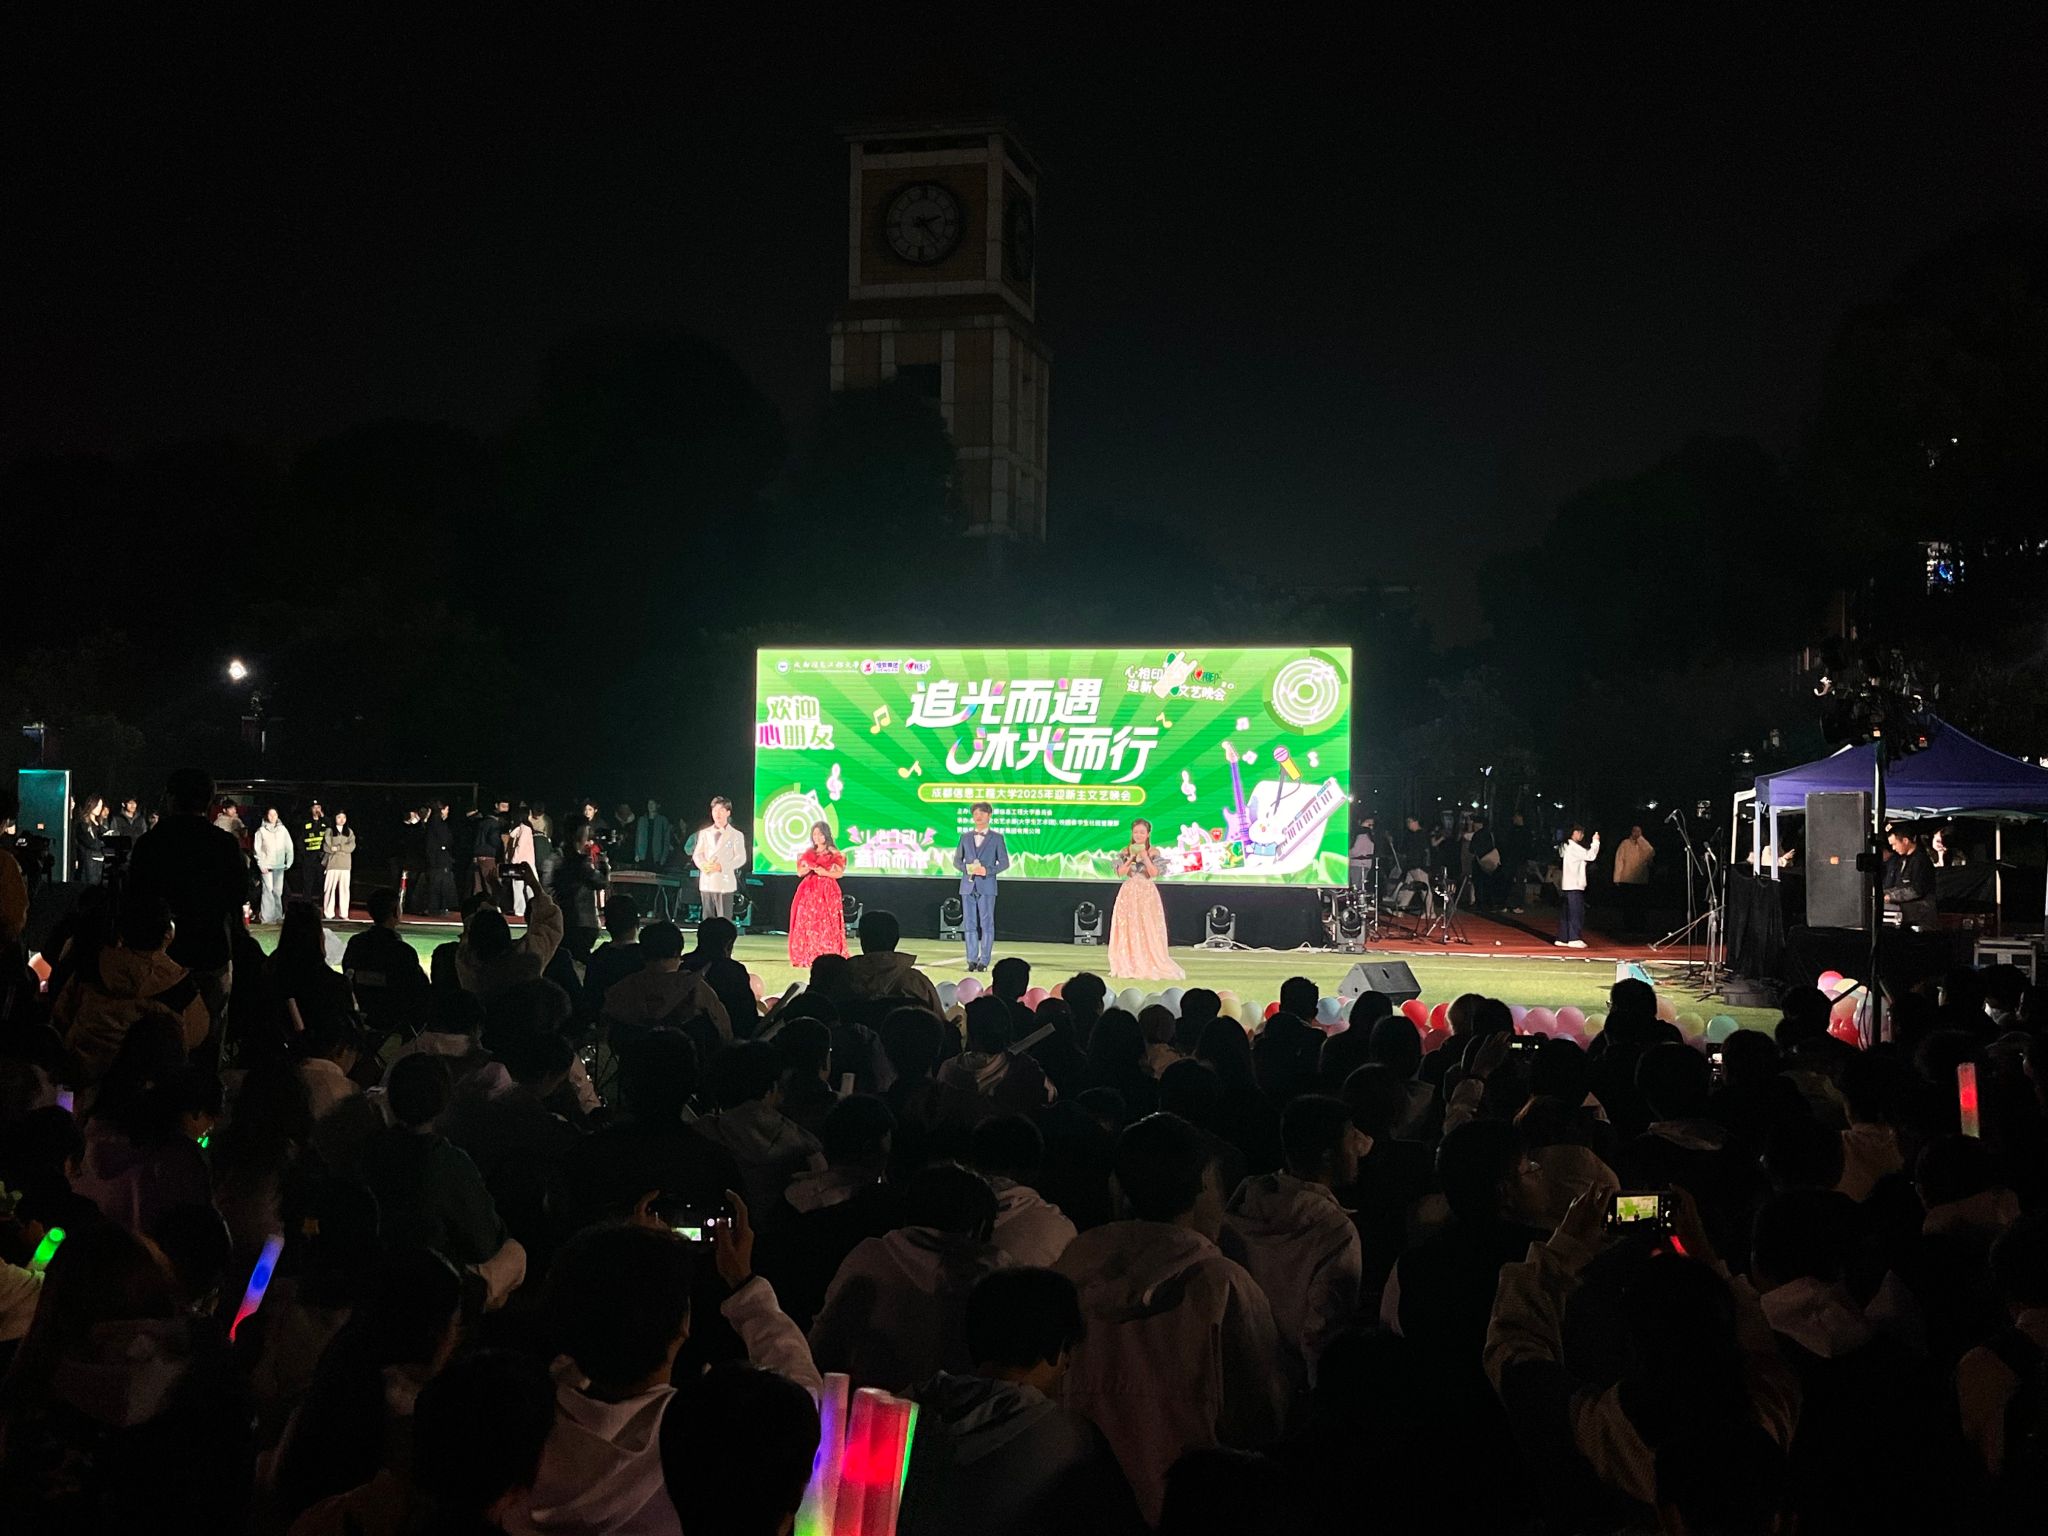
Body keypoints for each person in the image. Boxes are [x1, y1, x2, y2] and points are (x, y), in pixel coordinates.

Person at [1055, 1112, 1285, 1523]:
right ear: (1202, 1185)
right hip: (1192, 1505)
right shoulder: (1222, 1284)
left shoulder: (1070, 1271)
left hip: (1086, 1500)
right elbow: (1259, 1412)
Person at [901, 1267, 1144, 1536]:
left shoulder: (901, 1415)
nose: (1067, 1365)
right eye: (1068, 1352)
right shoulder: (1075, 1441)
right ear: (1057, 1349)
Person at [810, 1161, 1013, 1390]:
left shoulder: (870, 1255)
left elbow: (823, 1340)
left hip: (860, 1400)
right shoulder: (994, 1274)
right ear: (979, 1226)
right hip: (955, 1405)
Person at [1220, 1094, 1367, 1395]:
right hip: (1294, 1386)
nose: (1359, 1148)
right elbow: (1323, 1332)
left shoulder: (1243, 1204)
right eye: (1351, 1139)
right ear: (1328, 1156)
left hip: (1237, 1376)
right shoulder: (1335, 1232)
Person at [124, 768, 247, 1059]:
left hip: (161, 957)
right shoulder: (224, 844)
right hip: (210, 951)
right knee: (210, 1035)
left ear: (170, 799)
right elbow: (238, 895)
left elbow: (135, 897)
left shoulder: (151, 843)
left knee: (159, 1040)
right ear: (209, 801)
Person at [54, 891, 210, 1086]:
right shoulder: (178, 984)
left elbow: (61, 1013)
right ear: (168, 934)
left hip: (81, 1072)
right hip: (141, 1084)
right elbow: (196, 1034)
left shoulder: (93, 966)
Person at [602, 920, 732, 1058]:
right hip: (687, 1065)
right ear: (678, 952)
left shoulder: (621, 991)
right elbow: (724, 1032)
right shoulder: (697, 989)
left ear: (642, 953)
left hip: (634, 1064)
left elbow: (608, 1032)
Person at [1108, 818, 1184, 981]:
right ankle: (1128, 961)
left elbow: (1154, 873)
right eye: (1136, 832)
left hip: (1147, 892)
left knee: (1147, 925)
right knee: (1128, 926)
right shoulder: (1125, 851)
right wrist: (1131, 857)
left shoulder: (1153, 851)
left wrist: (1145, 857)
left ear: (1148, 834)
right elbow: (1120, 873)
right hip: (1129, 892)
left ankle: (1148, 960)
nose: (1138, 835)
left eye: (1142, 832)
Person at [844, 909, 944, 1017]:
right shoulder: (917, 983)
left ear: (862, 940)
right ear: (896, 939)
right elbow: (939, 1021)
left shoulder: (843, 980)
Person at [954, 800, 1010, 973]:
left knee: (987, 924)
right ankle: (971, 959)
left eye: (982, 813)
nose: (978, 816)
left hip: (987, 886)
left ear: (989, 815)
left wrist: (987, 870)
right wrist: (967, 869)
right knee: (969, 924)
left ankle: (984, 961)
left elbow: (1004, 863)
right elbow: (957, 861)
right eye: (975, 813)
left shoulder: (997, 838)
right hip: (968, 885)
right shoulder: (965, 837)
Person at [787, 820, 848, 967]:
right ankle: (807, 952)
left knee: (826, 922)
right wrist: (809, 868)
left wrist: (824, 872)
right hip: (809, 891)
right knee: (808, 921)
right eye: (814, 834)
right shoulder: (808, 853)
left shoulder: (835, 853)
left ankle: (827, 952)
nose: (817, 837)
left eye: (820, 834)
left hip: (828, 891)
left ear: (826, 835)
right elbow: (799, 872)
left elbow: (839, 873)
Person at [550, 820, 610, 962]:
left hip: (562, 919)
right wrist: (604, 866)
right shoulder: (579, 862)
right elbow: (601, 882)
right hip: (582, 922)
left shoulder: (556, 858)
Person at [692, 795, 746, 922]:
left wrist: (722, 866)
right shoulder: (704, 833)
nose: (717, 814)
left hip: (724, 881)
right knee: (707, 918)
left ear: (728, 812)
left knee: (724, 919)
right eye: (715, 810)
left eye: (721, 810)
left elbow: (741, 857)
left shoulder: (736, 835)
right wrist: (703, 865)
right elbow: (697, 854)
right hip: (707, 880)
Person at [1554, 823, 1599, 948]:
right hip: (1574, 884)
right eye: (1580, 832)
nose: (1582, 835)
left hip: (1567, 884)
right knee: (1576, 912)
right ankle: (1574, 938)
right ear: (1574, 833)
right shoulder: (1573, 847)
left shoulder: (1565, 846)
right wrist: (1595, 842)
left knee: (1566, 913)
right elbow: (1590, 856)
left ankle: (1563, 937)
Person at [1883, 827, 1936, 928]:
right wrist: (1884, 893)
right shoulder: (1902, 860)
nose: (1893, 848)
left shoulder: (1920, 860)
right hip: (1908, 906)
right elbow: (1900, 886)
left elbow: (1917, 890)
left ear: (1905, 841)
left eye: (1894, 844)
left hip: (1922, 908)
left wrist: (1891, 896)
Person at [1613, 824, 1655, 938]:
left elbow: (1651, 852)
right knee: (1628, 906)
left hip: (1641, 880)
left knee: (1640, 906)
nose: (1636, 833)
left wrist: (1641, 839)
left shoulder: (1643, 845)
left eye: (1639, 831)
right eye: (1635, 831)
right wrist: (1617, 877)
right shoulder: (1625, 843)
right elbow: (1619, 860)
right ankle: (1628, 927)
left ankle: (1640, 927)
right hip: (1627, 879)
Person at [255, 806, 296, 922]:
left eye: (275, 814)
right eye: (270, 814)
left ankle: (277, 916)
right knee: (268, 891)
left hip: (279, 865)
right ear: (266, 816)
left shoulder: (283, 830)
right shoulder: (261, 831)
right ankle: (267, 918)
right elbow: (257, 849)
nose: (273, 817)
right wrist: (260, 864)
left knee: (278, 892)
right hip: (267, 865)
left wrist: (289, 862)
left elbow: (289, 846)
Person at [422, 801, 457, 915]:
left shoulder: (431, 823)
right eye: (447, 810)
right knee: (440, 883)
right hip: (440, 858)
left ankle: (433, 907)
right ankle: (437, 907)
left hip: (434, 858)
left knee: (434, 883)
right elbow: (446, 839)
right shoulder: (438, 823)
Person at [320, 810, 355, 919]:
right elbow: (327, 847)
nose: (341, 820)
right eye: (339, 817)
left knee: (344, 890)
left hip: (345, 865)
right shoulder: (329, 831)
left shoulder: (349, 831)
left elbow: (351, 847)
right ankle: (328, 913)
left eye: (344, 817)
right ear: (334, 818)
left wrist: (339, 847)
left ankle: (344, 914)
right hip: (332, 864)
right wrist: (338, 848)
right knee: (329, 890)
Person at [472, 797, 510, 896]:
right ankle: (491, 903)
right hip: (488, 856)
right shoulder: (494, 825)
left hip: (476, 856)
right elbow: (494, 841)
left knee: (478, 886)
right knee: (491, 885)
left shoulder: (481, 823)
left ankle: (477, 903)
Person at [298, 800, 329, 905]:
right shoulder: (306, 823)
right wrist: (304, 854)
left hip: (321, 857)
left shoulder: (325, 822)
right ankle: (306, 902)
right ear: (311, 809)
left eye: (318, 807)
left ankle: (323, 902)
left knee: (322, 881)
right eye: (314, 808)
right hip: (309, 856)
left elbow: (332, 828)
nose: (317, 810)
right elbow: (300, 839)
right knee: (308, 881)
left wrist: (323, 817)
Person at [74, 795, 109, 885]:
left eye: (101, 806)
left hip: (100, 861)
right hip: (88, 862)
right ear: (91, 804)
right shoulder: (83, 824)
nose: (99, 808)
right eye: (97, 805)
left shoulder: (100, 825)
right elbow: (89, 842)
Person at [635, 798, 672, 870]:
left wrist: (663, 858)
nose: (650, 806)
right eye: (649, 803)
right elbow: (637, 838)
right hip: (643, 857)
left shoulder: (663, 820)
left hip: (657, 858)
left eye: (653, 803)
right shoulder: (642, 820)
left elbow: (666, 841)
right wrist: (637, 854)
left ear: (658, 805)